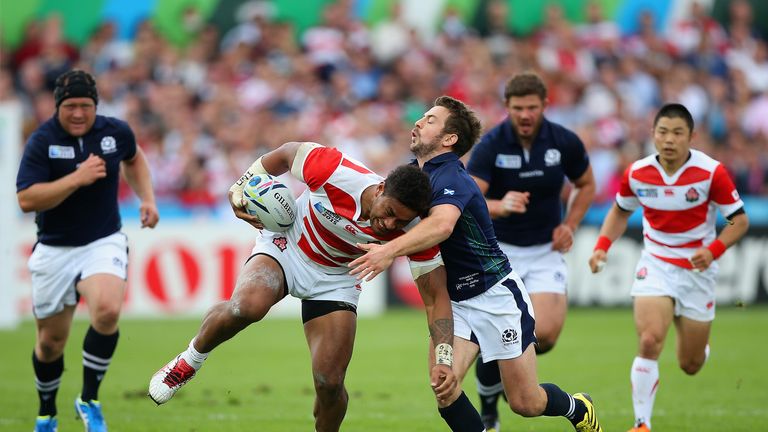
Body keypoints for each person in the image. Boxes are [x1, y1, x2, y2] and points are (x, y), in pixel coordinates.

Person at [148, 141, 457, 432]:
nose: (389, 225)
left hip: (337, 278)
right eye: (389, 212)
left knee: (329, 382)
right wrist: (241, 185)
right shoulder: (336, 170)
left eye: (399, 222)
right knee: (247, 306)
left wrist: (444, 357)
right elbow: (286, 152)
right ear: (380, 189)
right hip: (288, 247)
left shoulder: (416, 231)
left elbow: (435, 297)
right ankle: (188, 361)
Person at [350, 96, 603, 432]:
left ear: (449, 139)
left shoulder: (452, 178)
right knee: (444, 386)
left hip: (495, 296)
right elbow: (377, 203)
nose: (418, 122)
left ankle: (578, 407)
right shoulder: (411, 176)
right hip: (453, 304)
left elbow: (442, 225)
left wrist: (387, 251)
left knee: (526, 403)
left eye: (429, 119)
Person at [588, 103, 748, 432]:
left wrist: (714, 249)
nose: (669, 139)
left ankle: (698, 346)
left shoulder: (711, 172)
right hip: (656, 263)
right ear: (653, 135)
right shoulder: (637, 172)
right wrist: (601, 247)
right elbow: (620, 211)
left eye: (677, 133)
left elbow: (740, 221)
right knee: (648, 340)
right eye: (663, 132)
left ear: (692, 136)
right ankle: (642, 423)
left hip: (697, 270)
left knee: (689, 364)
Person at [16, 69, 159, 432]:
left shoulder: (114, 132)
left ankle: (89, 399)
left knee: (108, 310)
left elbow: (135, 157)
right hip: (54, 248)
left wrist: (147, 199)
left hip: (102, 240)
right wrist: (77, 178)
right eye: (71, 106)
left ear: (95, 105)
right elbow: (26, 198)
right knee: (50, 344)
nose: (78, 113)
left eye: (85, 105)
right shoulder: (42, 141)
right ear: (57, 106)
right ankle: (47, 412)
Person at [466, 72, 596, 431]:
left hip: (544, 251)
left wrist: (569, 224)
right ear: (507, 107)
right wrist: (500, 204)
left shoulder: (564, 142)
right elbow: (468, 199)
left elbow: (586, 185)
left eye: (532, 108)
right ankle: (490, 407)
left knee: (546, 335)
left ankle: (510, 376)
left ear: (544, 106)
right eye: (518, 107)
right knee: (497, 335)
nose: (525, 114)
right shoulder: (492, 144)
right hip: (499, 253)